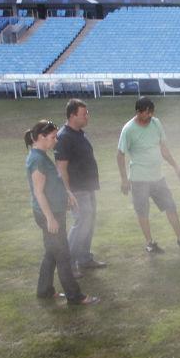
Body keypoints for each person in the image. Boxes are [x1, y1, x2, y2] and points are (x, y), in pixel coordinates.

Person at [25, 119, 99, 306]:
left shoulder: (41, 155)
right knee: (63, 255)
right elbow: (39, 192)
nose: (56, 141)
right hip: (49, 215)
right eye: (52, 137)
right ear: (41, 137)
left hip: (55, 211)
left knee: (51, 252)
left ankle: (44, 290)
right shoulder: (37, 160)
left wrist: (67, 194)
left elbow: (53, 181)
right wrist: (50, 218)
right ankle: (75, 296)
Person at [116, 97, 180, 254]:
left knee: (170, 206)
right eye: (146, 113)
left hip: (157, 177)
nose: (149, 116)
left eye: (151, 112)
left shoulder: (156, 123)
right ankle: (150, 243)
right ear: (138, 112)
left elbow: (163, 148)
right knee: (143, 211)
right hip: (139, 178)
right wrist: (124, 179)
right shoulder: (128, 129)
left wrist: (176, 166)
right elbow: (120, 155)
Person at [55, 99, 105, 277]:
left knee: (88, 223)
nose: (87, 116)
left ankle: (84, 258)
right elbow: (61, 168)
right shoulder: (64, 137)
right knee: (81, 223)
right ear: (72, 115)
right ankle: (67, 264)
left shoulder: (79, 134)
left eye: (87, 113)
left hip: (88, 187)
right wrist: (68, 193)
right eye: (83, 114)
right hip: (76, 190)